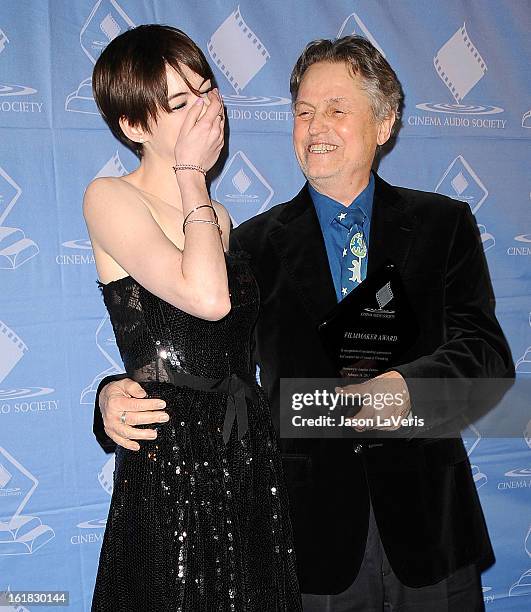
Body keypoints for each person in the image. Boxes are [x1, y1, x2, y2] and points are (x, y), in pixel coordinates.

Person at [94, 36, 514, 611]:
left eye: (338, 110)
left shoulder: (444, 224)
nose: (317, 126)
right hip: (307, 534)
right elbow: (211, 364)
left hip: (431, 522)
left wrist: (402, 392)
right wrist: (109, 396)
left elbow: (486, 355)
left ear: (384, 123)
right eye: (304, 111)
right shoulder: (249, 243)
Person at [85, 24, 301, 612]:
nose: (206, 113)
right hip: (172, 454)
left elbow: (228, 338)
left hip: (247, 451)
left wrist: (195, 192)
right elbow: (206, 298)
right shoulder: (110, 197)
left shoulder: (218, 215)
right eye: (179, 103)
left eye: (206, 92)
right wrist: (189, 176)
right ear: (133, 126)